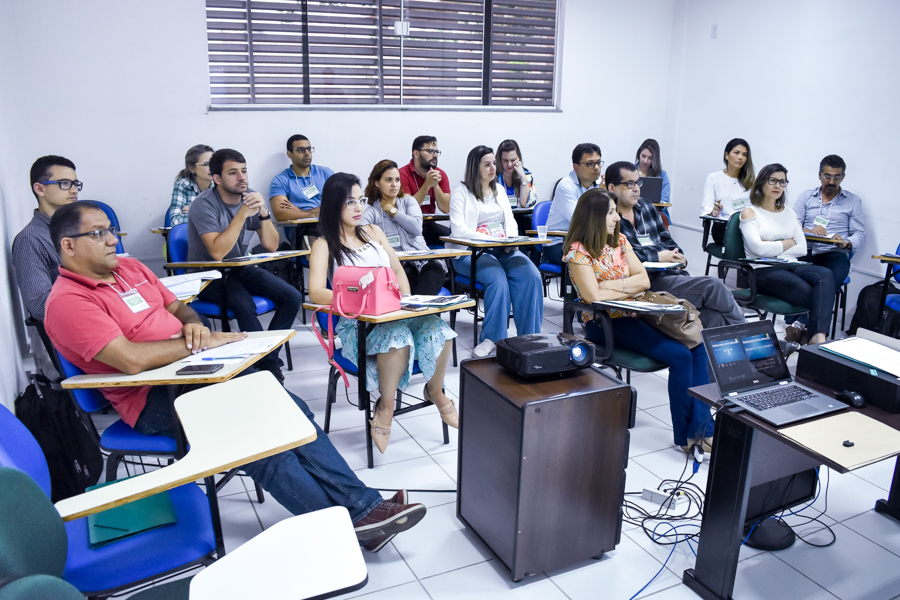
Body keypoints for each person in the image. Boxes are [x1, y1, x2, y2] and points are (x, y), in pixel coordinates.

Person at [44, 201, 426, 553]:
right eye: (98, 233)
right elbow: (128, 360)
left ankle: (364, 508)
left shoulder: (128, 269)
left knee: (290, 410)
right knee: (255, 441)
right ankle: (342, 526)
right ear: (68, 246)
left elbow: (179, 307)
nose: (112, 239)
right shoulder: (68, 302)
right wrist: (201, 343)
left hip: (198, 372)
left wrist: (193, 327)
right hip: (153, 397)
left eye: (111, 230)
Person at [309, 173, 458, 454]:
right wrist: (364, 299)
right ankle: (385, 406)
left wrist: (406, 300)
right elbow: (316, 292)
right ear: (333, 205)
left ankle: (435, 391)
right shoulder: (324, 245)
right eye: (349, 202)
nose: (358, 207)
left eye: (360, 200)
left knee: (441, 329)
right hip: (359, 325)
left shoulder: (373, 232)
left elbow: (397, 270)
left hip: (392, 312)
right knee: (398, 336)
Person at [563, 189, 713, 453]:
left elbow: (643, 280)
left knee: (698, 345)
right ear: (593, 217)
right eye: (610, 213)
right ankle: (689, 437)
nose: (616, 217)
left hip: (638, 313)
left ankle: (701, 430)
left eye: (614, 212)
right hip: (605, 324)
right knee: (680, 355)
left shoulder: (620, 241)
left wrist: (611, 283)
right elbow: (592, 296)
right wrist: (624, 287)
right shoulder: (578, 251)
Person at [187, 149, 302, 381]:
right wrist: (242, 213)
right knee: (244, 304)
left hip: (239, 267)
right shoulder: (203, 205)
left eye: (244, 171)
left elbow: (271, 245)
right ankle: (267, 366)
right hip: (207, 274)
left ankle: (265, 359)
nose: (242, 178)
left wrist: (263, 213)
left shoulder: (249, 196)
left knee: (293, 296)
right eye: (233, 173)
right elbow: (218, 253)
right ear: (217, 178)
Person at [606, 161, 745, 328]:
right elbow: (619, 258)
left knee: (714, 317)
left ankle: (746, 346)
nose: (636, 188)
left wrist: (679, 256)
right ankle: (753, 335)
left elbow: (667, 239)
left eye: (638, 182)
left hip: (672, 275)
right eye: (630, 184)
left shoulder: (646, 206)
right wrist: (659, 257)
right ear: (612, 188)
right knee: (714, 286)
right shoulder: (608, 218)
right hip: (647, 283)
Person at [447, 146, 543, 357]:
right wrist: (490, 240)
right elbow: (459, 230)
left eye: (494, 163)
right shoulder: (461, 192)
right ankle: (492, 338)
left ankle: (530, 337)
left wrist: (510, 241)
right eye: (487, 164)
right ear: (475, 167)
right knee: (497, 279)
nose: (493, 168)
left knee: (531, 275)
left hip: (501, 250)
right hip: (469, 253)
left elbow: (510, 222)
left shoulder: (498, 189)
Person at [740, 164, 835, 346]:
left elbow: (801, 248)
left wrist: (771, 246)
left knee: (826, 274)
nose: (778, 186)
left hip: (791, 265)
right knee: (813, 294)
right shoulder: (750, 212)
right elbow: (758, 250)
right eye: (773, 180)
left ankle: (817, 337)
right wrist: (786, 242)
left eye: (782, 182)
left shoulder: (789, 213)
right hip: (763, 271)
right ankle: (817, 342)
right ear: (761, 182)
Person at [785, 155, 865, 343]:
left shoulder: (852, 201)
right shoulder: (806, 197)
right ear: (819, 175)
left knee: (829, 278)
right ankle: (805, 328)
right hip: (807, 251)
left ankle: (800, 325)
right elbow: (792, 225)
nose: (831, 181)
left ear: (843, 177)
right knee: (788, 273)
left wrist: (845, 242)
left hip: (834, 255)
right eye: (827, 176)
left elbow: (860, 233)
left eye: (836, 177)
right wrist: (809, 230)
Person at [361, 160, 446, 296]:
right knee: (405, 278)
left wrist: (392, 211)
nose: (394, 184)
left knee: (432, 273)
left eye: (397, 180)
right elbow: (360, 235)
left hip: (425, 261)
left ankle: (421, 315)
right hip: (399, 266)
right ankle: (420, 315)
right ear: (377, 183)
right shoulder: (372, 211)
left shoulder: (409, 202)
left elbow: (417, 228)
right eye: (388, 180)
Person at [13, 155, 81, 321]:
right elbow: (40, 306)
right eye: (64, 184)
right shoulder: (30, 240)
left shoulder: (74, 228)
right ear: (40, 189)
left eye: (75, 184)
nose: (74, 190)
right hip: (76, 326)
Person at [543, 143, 603, 265]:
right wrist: (600, 194)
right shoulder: (566, 186)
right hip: (558, 244)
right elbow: (580, 222)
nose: (596, 167)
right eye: (590, 164)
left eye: (598, 162)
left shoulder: (601, 184)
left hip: (587, 242)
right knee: (594, 262)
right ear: (576, 167)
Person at [700, 138, 755, 245]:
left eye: (744, 155)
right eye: (736, 153)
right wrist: (713, 212)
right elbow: (706, 208)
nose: (740, 157)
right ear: (726, 155)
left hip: (747, 226)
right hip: (724, 227)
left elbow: (756, 208)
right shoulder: (714, 178)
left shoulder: (752, 181)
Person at [398, 136, 451, 246]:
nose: (435, 155)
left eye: (437, 152)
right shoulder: (402, 174)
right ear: (416, 154)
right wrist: (427, 185)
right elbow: (406, 209)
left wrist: (435, 185)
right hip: (408, 229)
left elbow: (446, 208)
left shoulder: (441, 174)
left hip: (429, 226)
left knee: (454, 238)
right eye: (431, 151)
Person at [269, 134, 335, 221]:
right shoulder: (280, 180)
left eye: (309, 149)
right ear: (289, 154)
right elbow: (280, 214)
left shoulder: (326, 173)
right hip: (300, 230)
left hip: (328, 226)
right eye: (301, 150)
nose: (307, 153)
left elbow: (339, 204)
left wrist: (297, 211)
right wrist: (316, 213)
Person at [167, 145, 214, 226]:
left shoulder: (221, 184)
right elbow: (175, 221)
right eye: (206, 164)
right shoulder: (183, 184)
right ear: (192, 168)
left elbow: (228, 219)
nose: (212, 167)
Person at [634, 138, 671, 219]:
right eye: (643, 156)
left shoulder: (662, 174)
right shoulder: (630, 171)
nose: (645, 160)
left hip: (656, 213)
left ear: (655, 159)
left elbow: (665, 200)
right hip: (633, 211)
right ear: (638, 154)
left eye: (650, 158)